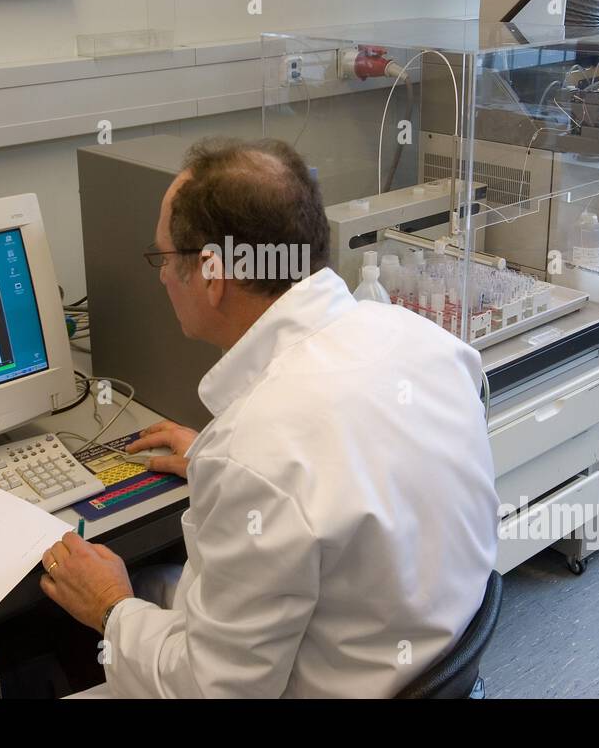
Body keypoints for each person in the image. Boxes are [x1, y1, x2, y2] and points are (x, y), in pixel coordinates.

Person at [40, 136, 499, 697]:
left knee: (113, 608)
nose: (161, 277)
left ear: (211, 274)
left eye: (163, 258)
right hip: (426, 669)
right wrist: (219, 457)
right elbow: (333, 454)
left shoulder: (258, 451)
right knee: (161, 584)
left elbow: (210, 691)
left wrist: (109, 608)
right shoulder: (428, 345)